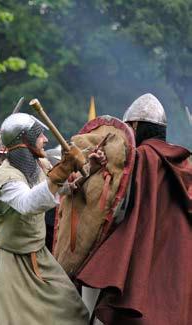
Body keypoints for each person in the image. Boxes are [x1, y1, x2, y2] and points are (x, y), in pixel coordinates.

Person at [77, 93, 192, 324]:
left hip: (141, 249)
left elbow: (111, 208)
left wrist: (92, 174)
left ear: (135, 126)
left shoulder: (137, 159)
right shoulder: (185, 163)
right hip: (178, 254)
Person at [0, 113, 89, 324]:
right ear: (25, 141)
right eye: (39, 135)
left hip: (39, 258)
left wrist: (87, 168)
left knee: (73, 313)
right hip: (10, 262)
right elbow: (29, 203)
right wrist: (63, 169)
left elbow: (51, 189)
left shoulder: (37, 167)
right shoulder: (6, 178)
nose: (45, 140)